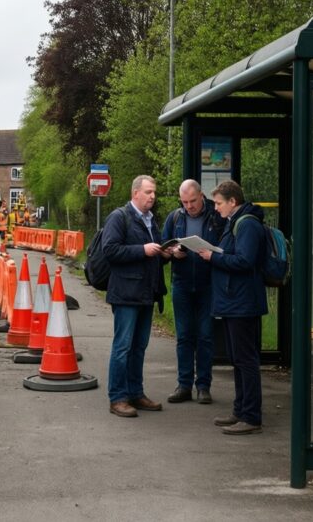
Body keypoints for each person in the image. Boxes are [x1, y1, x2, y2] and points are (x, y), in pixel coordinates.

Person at [196, 180, 268, 435]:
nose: (215, 209)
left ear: (232, 202)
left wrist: (213, 256)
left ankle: (251, 416)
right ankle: (240, 410)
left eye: (218, 204)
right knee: (238, 359)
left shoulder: (246, 224)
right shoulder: (235, 222)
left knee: (246, 360)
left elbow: (245, 260)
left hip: (243, 303)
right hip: (234, 300)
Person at [102, 175, 170, 418]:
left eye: (154, 192)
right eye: (149, 192)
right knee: (122, 347)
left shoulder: (151, 220)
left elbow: (153, 256)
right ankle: (118, 398)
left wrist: (167, 253)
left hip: (145, 293)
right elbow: (109, 250)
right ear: (135, 194)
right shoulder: (119, 217)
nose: (153, 196)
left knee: (139, 347)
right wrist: (142, 250)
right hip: (126, 294)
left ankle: (135, 393)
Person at [161, 179, 225, 405]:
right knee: (184, 336)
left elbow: (225, 246)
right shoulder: (175, 217)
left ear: (202, 196)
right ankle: (184, 385)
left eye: (193, 201)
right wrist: (172, 252)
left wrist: (212, 254)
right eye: (185, 202)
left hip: (208, 285)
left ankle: (204, 386)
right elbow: (163, 248)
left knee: (206, 336)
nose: (189, 206)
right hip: (182, 284)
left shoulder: (215, 217)